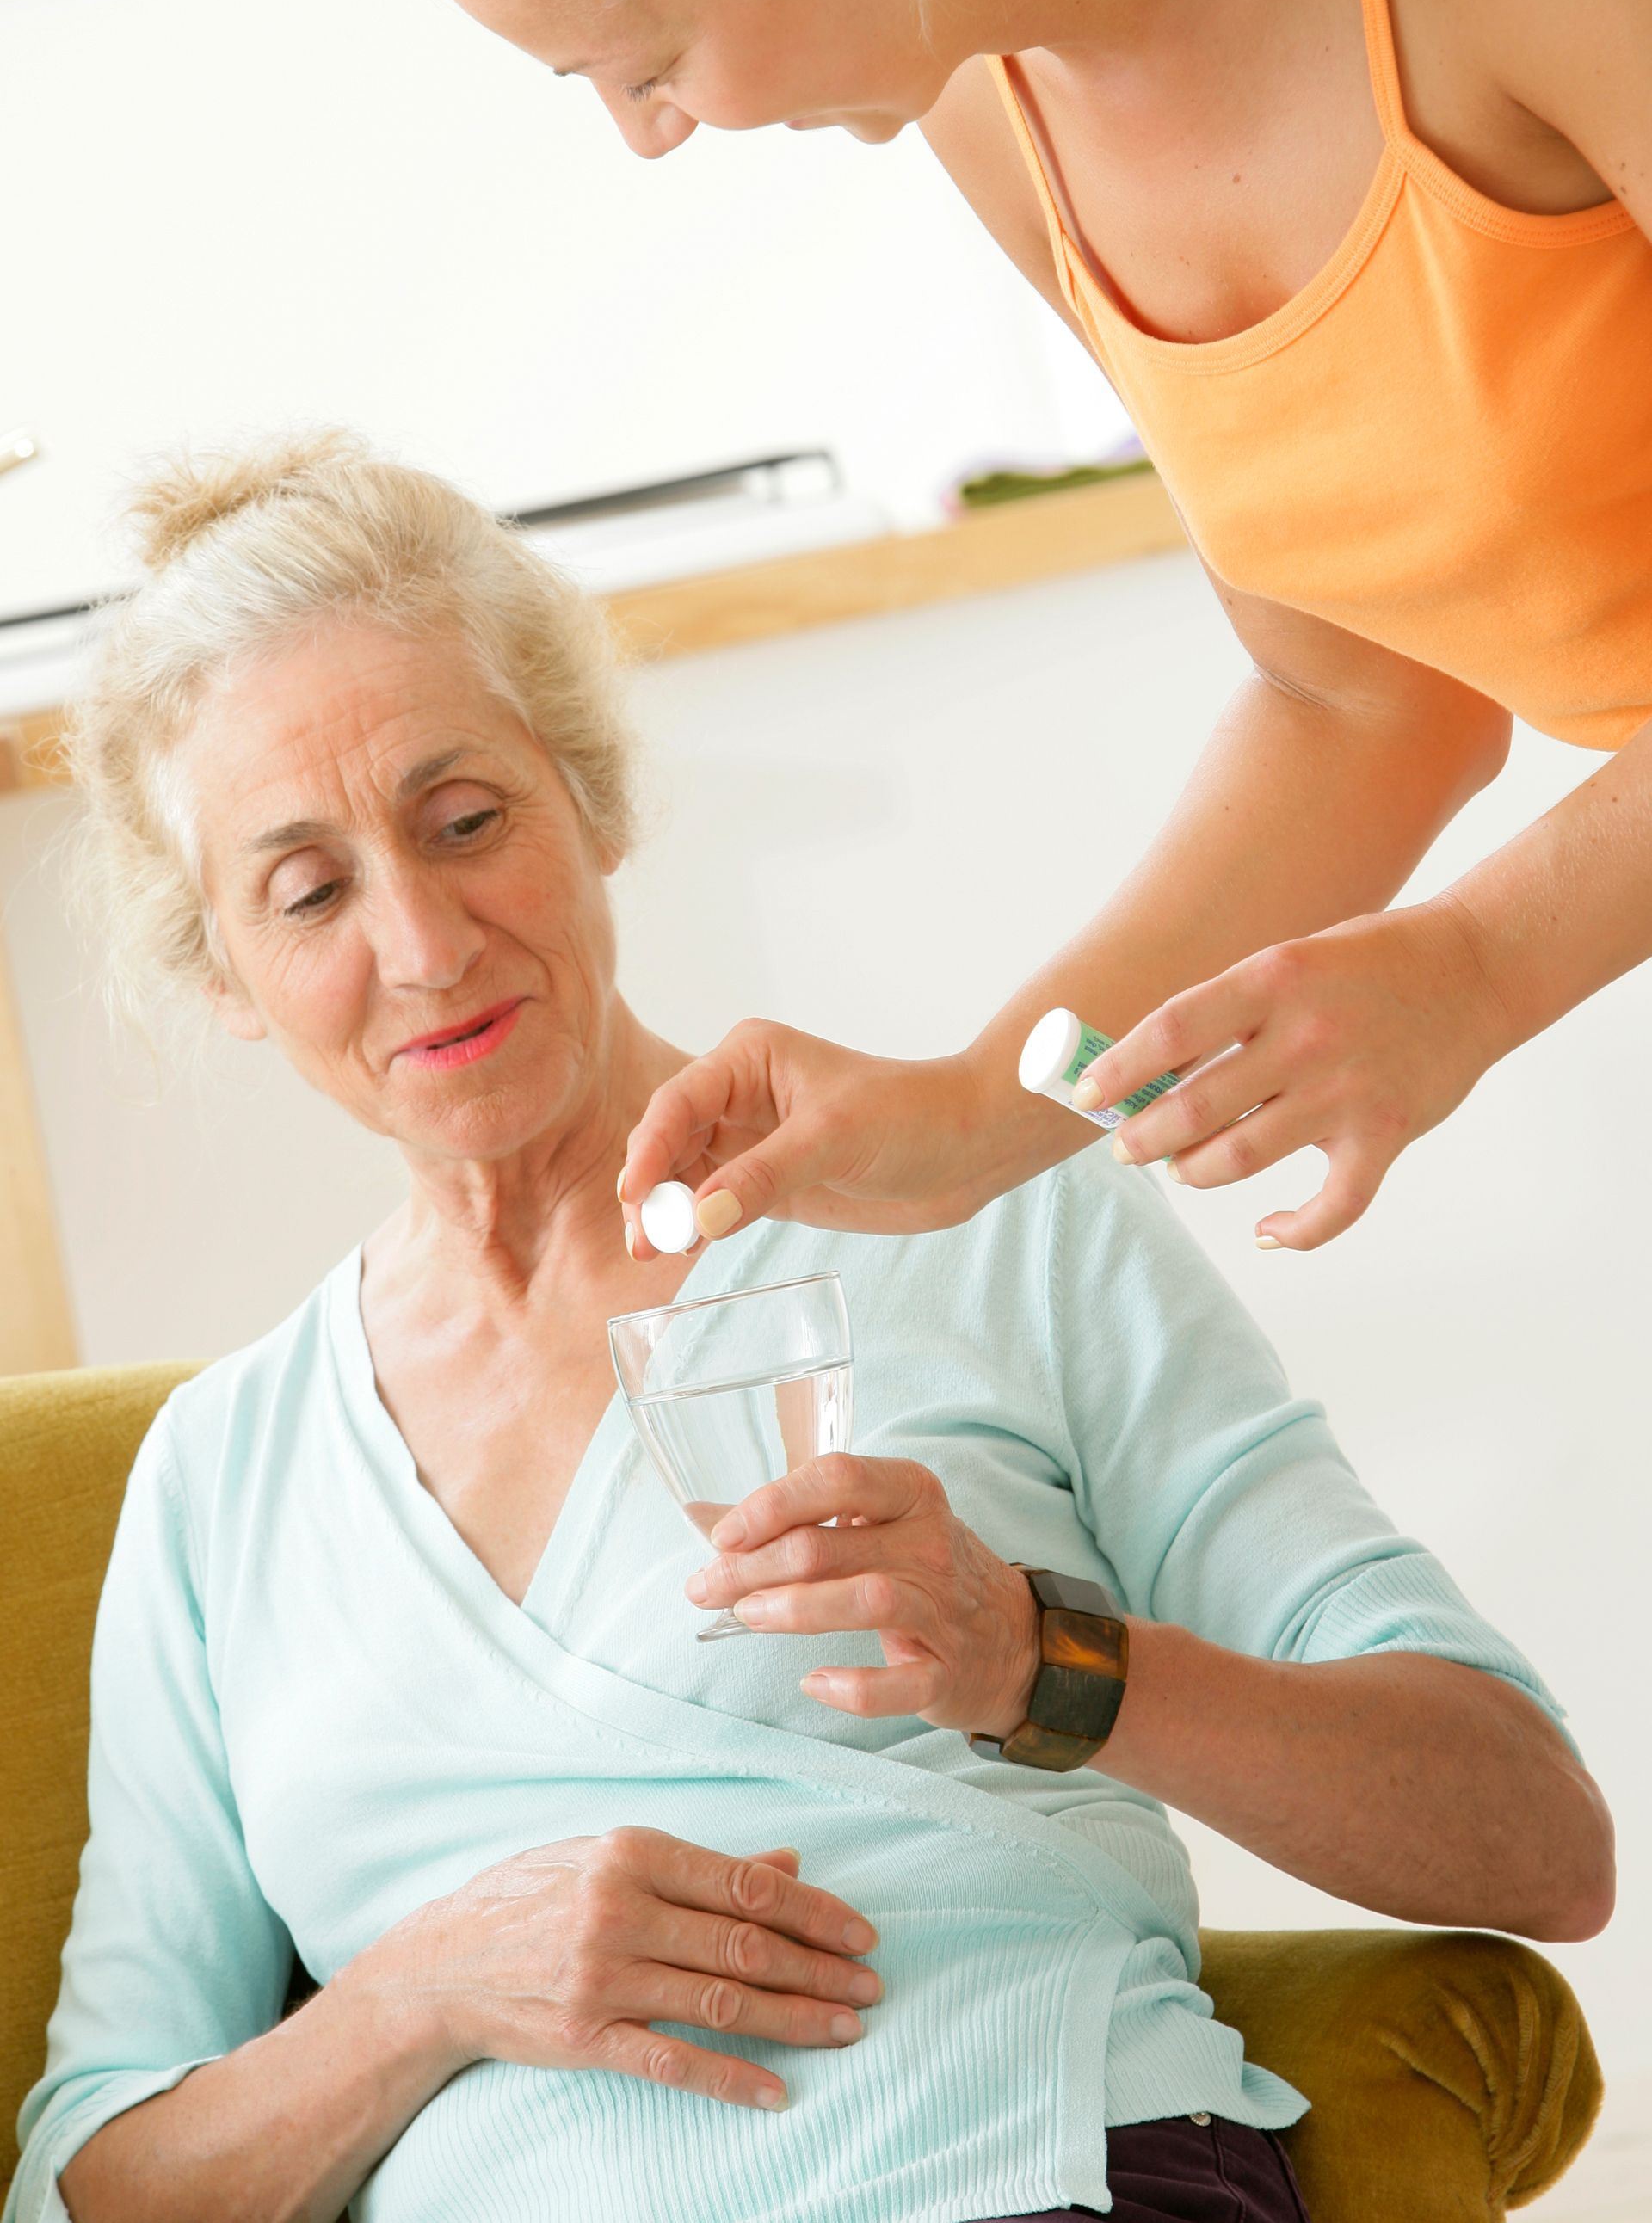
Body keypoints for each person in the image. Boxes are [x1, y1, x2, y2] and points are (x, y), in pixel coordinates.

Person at [9, 434, 1611, 2223]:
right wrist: (417, 1993)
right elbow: (91, 2179)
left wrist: (1038, 1660)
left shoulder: (993, 1218)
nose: (424, 941)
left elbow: (1530, 1833)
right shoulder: (224, 1479)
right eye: (307, 893)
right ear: (225, 974)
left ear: (588, 797)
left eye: (466, 823)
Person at [373, 0, 1652, 1257]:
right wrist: (981, 1113)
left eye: (644, 67)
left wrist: (1487, 966)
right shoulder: (989, 98)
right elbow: (1362, 701)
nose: (648, 137)